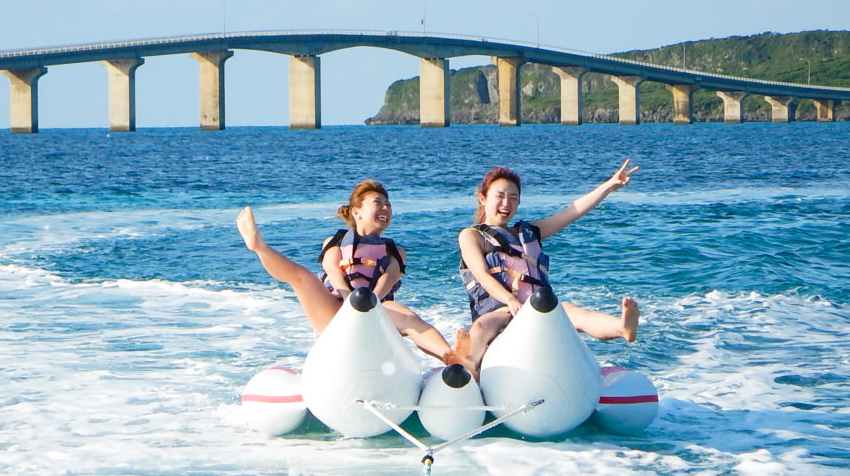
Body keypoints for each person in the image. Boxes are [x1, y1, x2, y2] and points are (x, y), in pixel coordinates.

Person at [236, 180, 469, 364]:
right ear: (356, 212)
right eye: (378, 203)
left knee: (408, 317)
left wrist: (370, 303)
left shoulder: (395, 251)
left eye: (388, 205)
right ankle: (259, 246)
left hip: (378, 311)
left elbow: (389, 278)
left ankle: (450, 356)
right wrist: (349, 298)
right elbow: (331, 269)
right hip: (336, 310)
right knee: (302, 278)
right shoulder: (335, 241)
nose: (386, 208)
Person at [458, 160, 641, 377]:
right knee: (480, 328)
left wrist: (609, 186)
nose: (506, 203)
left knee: (576, 313)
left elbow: (571, 212)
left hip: (538, 309)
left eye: (513, 198)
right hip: (501, 311)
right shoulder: (471, 236)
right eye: (500, 196)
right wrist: (510, 300)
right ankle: (467, 370)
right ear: (483, 198)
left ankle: (622, 328)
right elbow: (481, 274)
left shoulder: (529, 233)